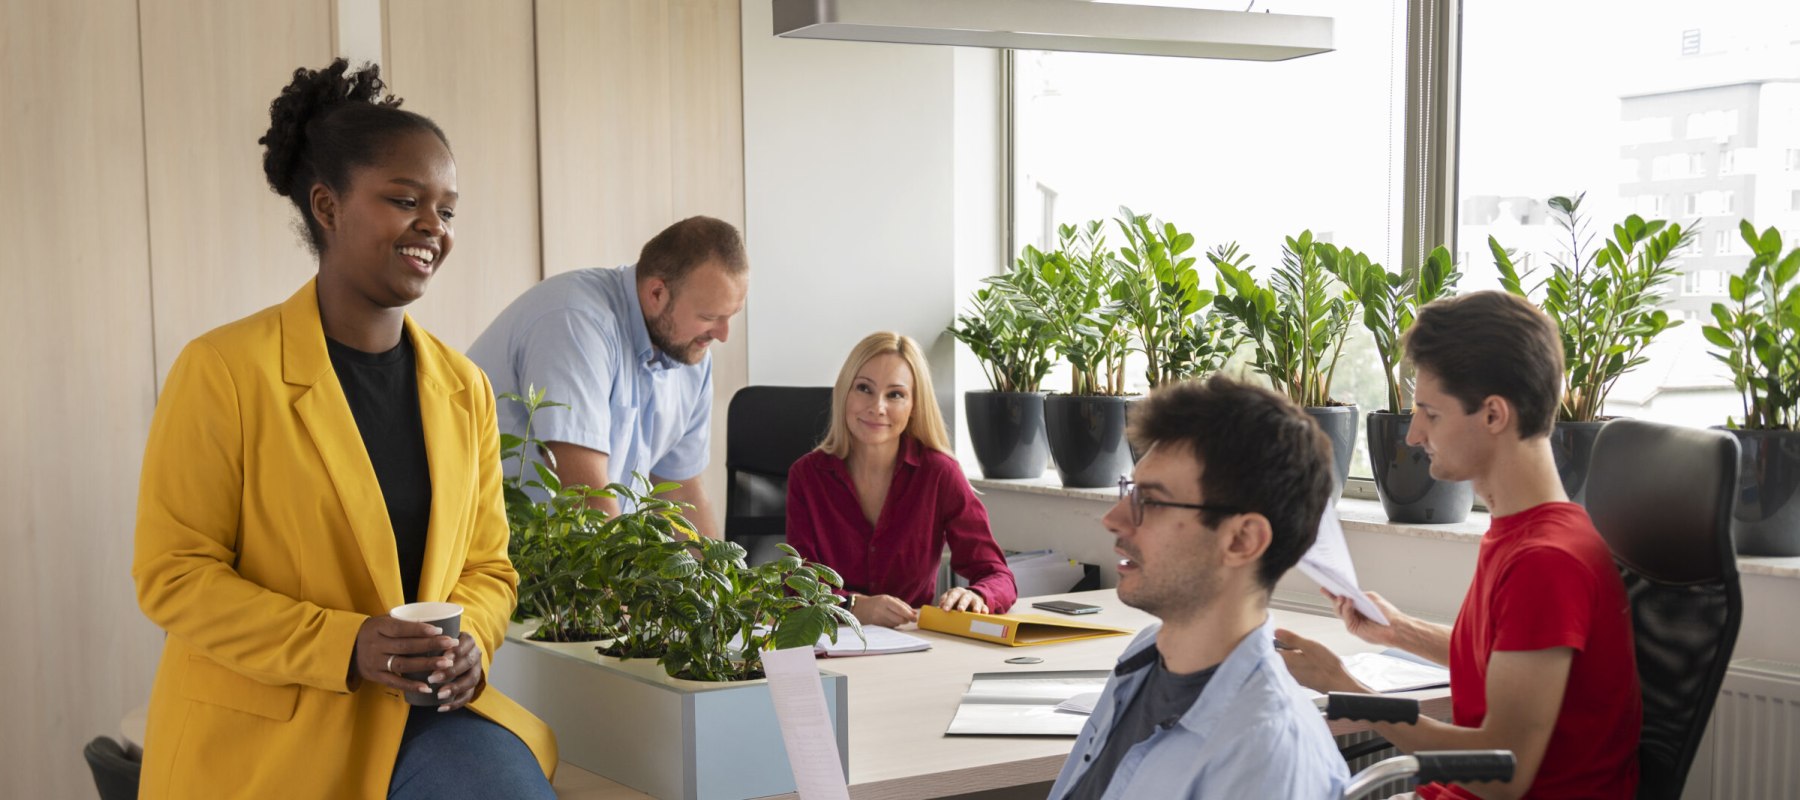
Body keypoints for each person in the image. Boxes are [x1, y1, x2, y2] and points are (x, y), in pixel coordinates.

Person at [131, 59, 556, 799]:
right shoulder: (224, 370)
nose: (433, 227)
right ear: (327, 207)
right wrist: (347, 643)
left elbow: (488, 569)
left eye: (447, 210)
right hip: (276, 732)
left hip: (426, 719)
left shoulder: (465, 389)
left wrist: (472, 645)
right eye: (404, 200)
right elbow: (175, 576)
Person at [1277, 291, 1641, 799]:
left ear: (1493, 415)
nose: (1413, 435)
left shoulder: (1547, 562)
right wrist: (1398, 630)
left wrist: (1346, 691)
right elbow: (1503, 657)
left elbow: (1502, 774)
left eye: (1430, 412)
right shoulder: (1528, 533)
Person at [1047, 376, 1348, 800]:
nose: (1114, 518)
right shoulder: (1146, 656)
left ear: (1241, 540)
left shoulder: (1266, 756)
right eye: (1130, 491)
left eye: (1149, 501)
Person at [466, 217, 747, 539]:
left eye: (731, 316)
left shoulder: (691, 352)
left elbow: (681, 493)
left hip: (567, 555)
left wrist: (720, 581)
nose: (723, 335)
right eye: (709, 317)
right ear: (657, 293)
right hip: (491, 552)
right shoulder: (574, 319)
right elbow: (585, 494)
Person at [785, 332, 1017, 627]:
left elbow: (997, 575)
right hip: (831, 640)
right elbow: (797, 585)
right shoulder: (807, 477)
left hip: (912, 640)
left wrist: (978, 595)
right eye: (864, 388)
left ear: (914, 405)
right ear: (844, 392)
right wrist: (853, 606)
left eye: (895, 394)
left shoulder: (940, 473)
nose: (877, 407)